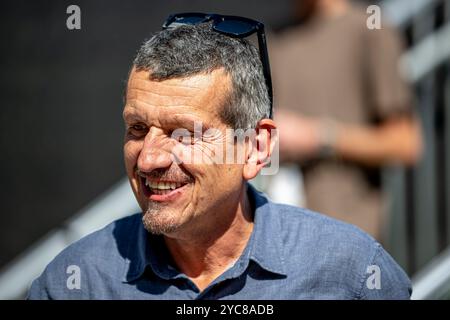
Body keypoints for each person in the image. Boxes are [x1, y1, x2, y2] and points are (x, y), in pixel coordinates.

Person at [28, 14, 411, 299]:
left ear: (256, 147)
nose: (148, 160)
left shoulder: (348, 270)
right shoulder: (78, 281)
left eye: (185, 134)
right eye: (137, 129)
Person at [272, 0, 423, 240]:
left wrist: (319, 137)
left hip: (347, 236)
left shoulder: (370, 28)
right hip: (281, 236)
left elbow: (405, 143)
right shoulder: (273, 39)